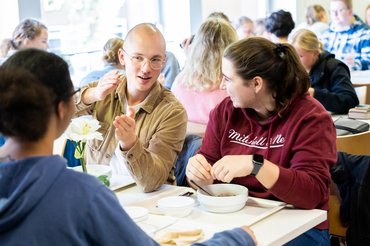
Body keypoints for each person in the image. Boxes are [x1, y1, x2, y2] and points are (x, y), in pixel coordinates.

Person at [0, 48, 257, 246]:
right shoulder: (81, 196)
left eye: (156, 59)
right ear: (62, 109)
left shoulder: (169, 109)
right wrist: (237, 239)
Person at [186, 37, 337, 245]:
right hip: (237, 218)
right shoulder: (226, 111)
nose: (221, 85)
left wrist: (255, 165)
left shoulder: (311, 117)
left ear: (256, 83)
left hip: (298, 226)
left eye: (228, 79)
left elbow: (312, 193)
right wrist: (197, 175)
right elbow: (207, 165)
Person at [74, 23, 187, 193]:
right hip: (101, 194)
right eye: (138, 58)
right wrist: (93, 95)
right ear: (122, 57)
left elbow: (152, 182)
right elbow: (56, 113)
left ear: (164, 61)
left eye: (155, 59)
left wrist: (130, 144)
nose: (146, 68)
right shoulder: (104, 90)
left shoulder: (172, 112)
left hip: (150, 203)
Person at [172, 17, 237, 125]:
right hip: (218, 140)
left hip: (182, 139)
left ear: (196, 45)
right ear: (232, 46)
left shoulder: (180, 81)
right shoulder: (231, 87)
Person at [290, 28, 359, 114]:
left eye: (300, 56)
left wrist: (315, 94)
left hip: (330, 121)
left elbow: (350, 101)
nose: (294, 61)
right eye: (292, 56)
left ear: (315, 53)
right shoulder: (291, 70)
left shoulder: (335, 67)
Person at [320, 0, 370, 71]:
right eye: (332, 11)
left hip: (354, 79)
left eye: (339, 10)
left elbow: (368, 62)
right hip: (329, 78)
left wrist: (354, 64)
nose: (335, 14)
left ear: (350, 11)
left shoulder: (365, 33)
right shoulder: (325, 35)